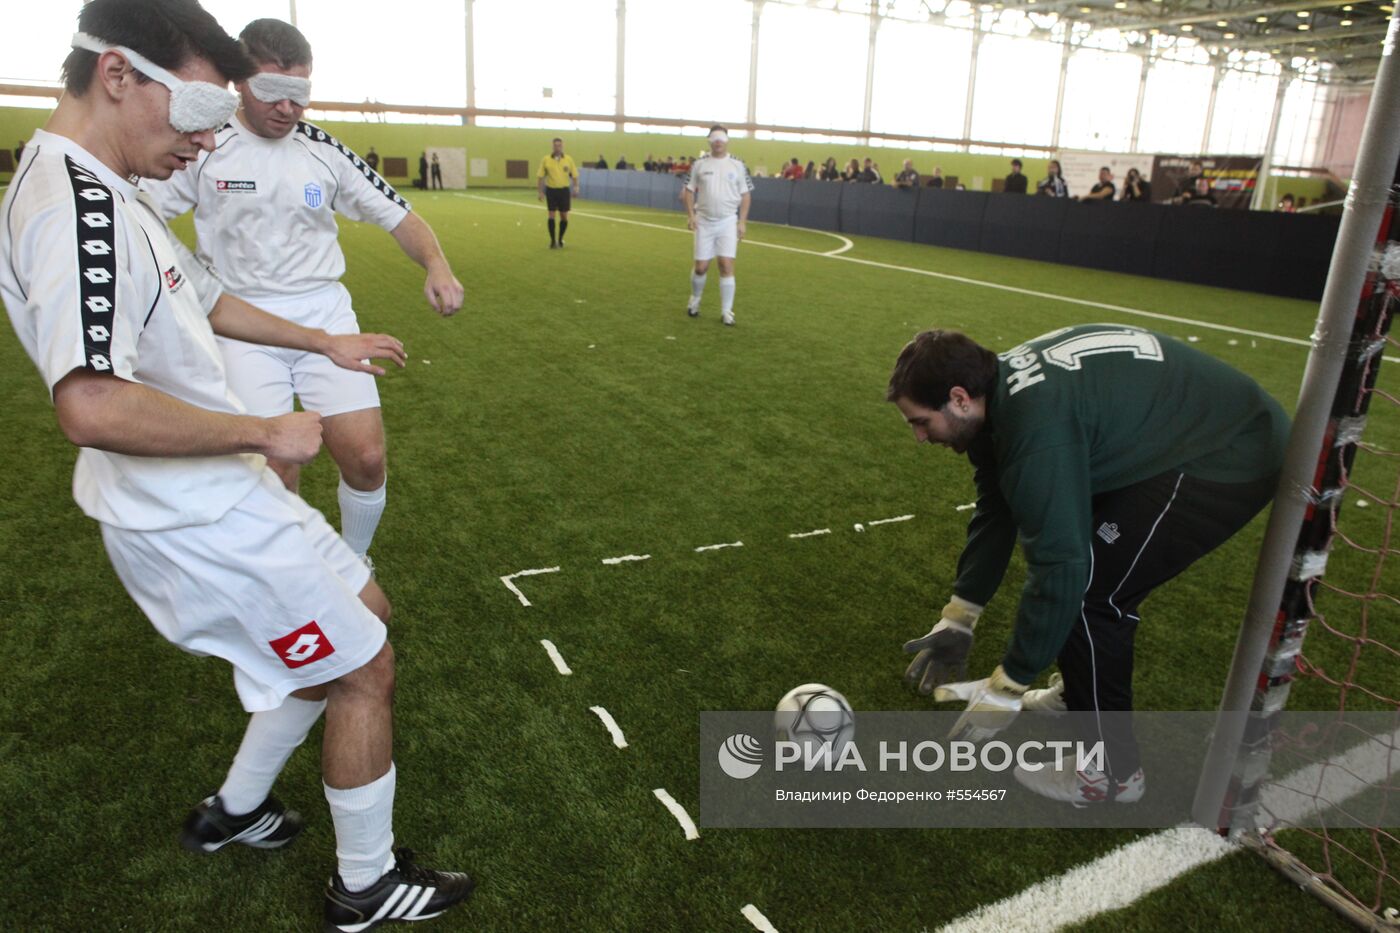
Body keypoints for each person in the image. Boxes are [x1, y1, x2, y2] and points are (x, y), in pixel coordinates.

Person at [0, 1, 475, 927]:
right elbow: (90, 403)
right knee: (366, 667)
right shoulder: (77, 205)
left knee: (363, 613)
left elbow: (202, 294)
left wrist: (320, 344)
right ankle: (364, 888)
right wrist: (263, 432)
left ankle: (237, 809)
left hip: (220, 491)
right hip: (193, 511)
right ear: (119, 75)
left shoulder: (99, 182)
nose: (202, 143)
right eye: (197, 114)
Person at [889, 325, 1287, 806]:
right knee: (1090, 574)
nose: (917, 437)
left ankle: (1113, 775)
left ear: (958, 399)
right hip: (1163, 438)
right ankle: (1082, 691)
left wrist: (1009, 684)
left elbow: (1062, 568)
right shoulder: (994, 398)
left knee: (1091, 593)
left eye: (920, 422)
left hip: (1226, 451)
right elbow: (997, 507)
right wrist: (961, 616)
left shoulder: (1037, 429)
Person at [144, 17, 465, 568]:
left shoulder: (325, 151)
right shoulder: (204, 144)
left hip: (326, 312)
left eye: (299, 94)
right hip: (239, 322)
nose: (287, 109)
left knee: (366, 457)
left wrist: (436, 263)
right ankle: (292, 572)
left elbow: (398, 214)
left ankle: (353, 561)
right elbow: (143, 210)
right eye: (272, 91)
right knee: (276, 466)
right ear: (240, 82)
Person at [682, 124, 753, 327]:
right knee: (701, 267)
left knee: (726, 264)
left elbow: (746, 195)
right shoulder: (699, 164)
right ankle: (695, 300)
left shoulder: (738, 165)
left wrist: (742, 222)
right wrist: (691, 215)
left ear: (727, 140)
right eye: (714, 138)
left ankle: (726, 311)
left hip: (728, 221)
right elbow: (688, 190)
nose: (718, 141)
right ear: (709, 140)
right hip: (704, 221)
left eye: (721, 137)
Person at [537, 136, 580, 249]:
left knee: (564, 217)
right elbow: (540, 176)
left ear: (562, 146)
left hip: (564, 191)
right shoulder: (546, 159)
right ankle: (552, 241)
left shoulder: (568, 159)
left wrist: (576, 188)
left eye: (559, 145)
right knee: (551, 215)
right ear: (552, 146)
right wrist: (540, 191)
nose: (557, 147)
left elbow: (574, 175)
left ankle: (560, 239)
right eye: (555, 145)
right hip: (551, 190)